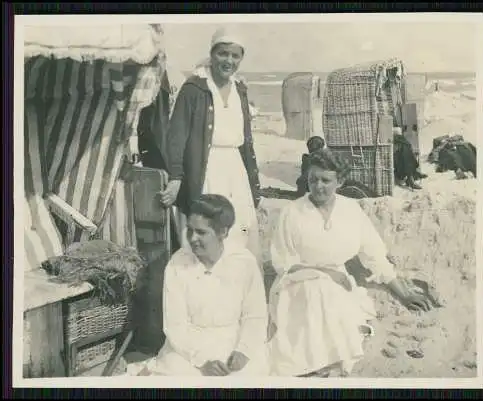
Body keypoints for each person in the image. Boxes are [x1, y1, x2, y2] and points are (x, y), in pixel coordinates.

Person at [268, 148, 435, 377]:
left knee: (330, 298)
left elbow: (374, 255)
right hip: (296, 283)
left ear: (340, 181)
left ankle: (328, 363)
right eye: (312, 179)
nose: (318, 186)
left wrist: (403, 292)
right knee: (317, 291)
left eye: (326, 180)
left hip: (338, 283)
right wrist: (322, 273)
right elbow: (283, 263)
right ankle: (324, 364)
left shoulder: (350, 210)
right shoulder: (292, 212)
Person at [158, 27, 262, 263]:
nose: (229, 61)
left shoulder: (240, 90)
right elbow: (176, 136)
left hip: (236, 171)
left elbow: (246, 143)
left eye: (235, 56)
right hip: (205, 170)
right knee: (205, 231)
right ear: (212, 54)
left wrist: (256, 189)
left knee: (237, 232)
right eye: (223, 54)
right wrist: (176, 177)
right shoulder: (195, 89)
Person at [144, 194, 270, 376]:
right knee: (179, 373)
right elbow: (175, 325)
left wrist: (244, 350)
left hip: (233, 340)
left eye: (201, 232)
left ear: (223, 232)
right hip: (189, 346)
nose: (192, 238)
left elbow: (255, 315)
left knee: (252, 372)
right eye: (189, 230)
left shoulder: (244, 261)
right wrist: (201, 361)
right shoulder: (177, 263)